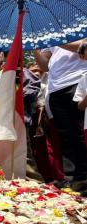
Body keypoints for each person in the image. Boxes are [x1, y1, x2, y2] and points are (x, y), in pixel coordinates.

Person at [34, 40, 87, 192]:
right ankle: (71, 179)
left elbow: (83, 48)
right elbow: (44, 66)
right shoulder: (53, 38)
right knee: (66, 136)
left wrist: (56, 38)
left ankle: (83, 177)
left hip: (78, 81)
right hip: (56, 88)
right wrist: (35, 47)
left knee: (81, 132)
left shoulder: (80, 27)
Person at [27, 63, 65, 185]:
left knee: (51, 146)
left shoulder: (50, 81)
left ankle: (58, 175)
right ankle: (44, 175)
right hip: (32, 116)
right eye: (33, 70)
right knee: (36, 148)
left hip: (47, 114)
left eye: (39, 70)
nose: (37, 73)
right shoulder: (28, 82)